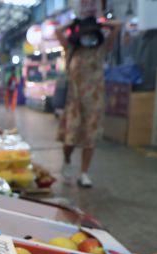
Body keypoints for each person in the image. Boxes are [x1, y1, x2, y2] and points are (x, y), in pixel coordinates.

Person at [55, 17, 122, 187]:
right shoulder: (71, 50)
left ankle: (84, 173)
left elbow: (118, 26)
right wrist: (73, 24)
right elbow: (58, 32)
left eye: (92, 34)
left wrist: (100, 24)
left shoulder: (101, 49)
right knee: (69, 139)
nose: (89, 37)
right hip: (74, 102)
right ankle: (67, 160)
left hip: (94, 102)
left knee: (89, 139)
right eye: (86, 33)